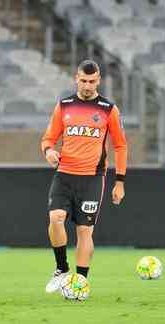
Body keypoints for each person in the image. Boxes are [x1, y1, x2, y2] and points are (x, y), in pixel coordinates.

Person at [41, 60, 127, 293]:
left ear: (98, 81)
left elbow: (120, 146)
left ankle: (80, 283)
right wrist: (49, 151)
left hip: (92, 178)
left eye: (92, 81)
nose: (87, 85)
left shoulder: (109, 109)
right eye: (83, 80)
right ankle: (61, 269)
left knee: (84, 231)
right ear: (76, 78)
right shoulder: (64, 106)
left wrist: (119, 182)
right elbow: (48, 139)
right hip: (64, 175)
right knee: (56, 217)